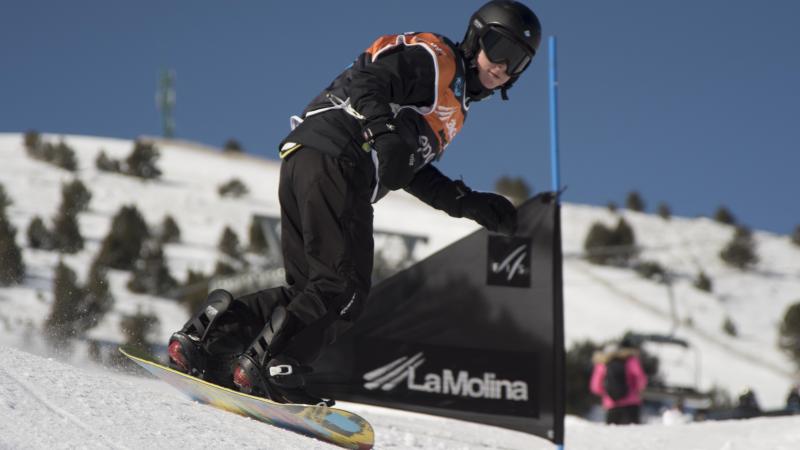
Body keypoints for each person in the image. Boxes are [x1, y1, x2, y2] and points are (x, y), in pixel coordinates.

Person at [167, 0, 542, 405]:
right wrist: (382, 132)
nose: (503, 67)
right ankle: (275, 367)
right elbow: (369, 80)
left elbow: (406, 167)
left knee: (312, 291)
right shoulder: (438, 60)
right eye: (498, 49)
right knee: (344, 290)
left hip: (308, 158)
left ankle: (206, 342)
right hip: (340, 158)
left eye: (518, 62)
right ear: (475, 38)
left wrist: (465, 202)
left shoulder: (453, 102)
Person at [590, 336, 648, 425]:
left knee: (612, 435)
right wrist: (637, 390)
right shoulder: (631, 360)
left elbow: (595, 387)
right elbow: (641, 379)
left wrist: (606, 393)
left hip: (612, 404)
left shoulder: (602, 364)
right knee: (634, 434)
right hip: (632, 403)